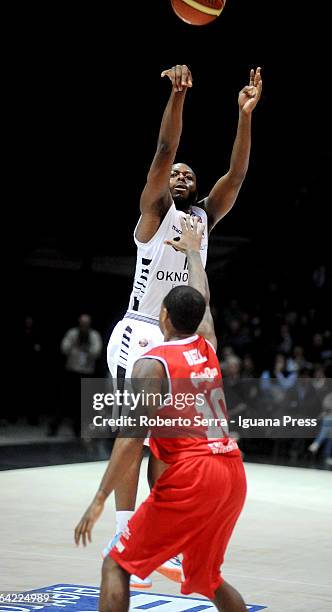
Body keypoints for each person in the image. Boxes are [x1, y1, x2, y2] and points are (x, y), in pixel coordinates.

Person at [105, 63, 262, 586]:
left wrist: (244, 116)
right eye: (177, 175)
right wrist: (177, 96)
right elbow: (163, 152)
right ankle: (123, 531)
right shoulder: (153, 212)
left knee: (171, 441)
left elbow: (236, 177)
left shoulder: (201, 221)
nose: (181, 177)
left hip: (180, 337)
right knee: (138, 433)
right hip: (140, 331)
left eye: (189, 176)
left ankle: (158, 532)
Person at [75, 216, 247, 611]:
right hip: (232, 473)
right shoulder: (208, 345)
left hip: (194, 475)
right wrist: (191, 251)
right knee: (210, 579)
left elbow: (132, 439)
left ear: (163, 318)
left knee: (116, 566)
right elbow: (201, 296)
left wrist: (100, 497)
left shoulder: (151, 363)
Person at [49, 314, 102, 436]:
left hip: (86, 373)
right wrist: (75, 344)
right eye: (82, 324)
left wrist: (87, 349)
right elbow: (64, 348)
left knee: (82, 404)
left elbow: (97, 351)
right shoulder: (73, 334)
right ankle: (54, 427)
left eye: (86, 324)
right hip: (72, 372)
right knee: (63, 400)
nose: (84, 327)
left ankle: (78, 429)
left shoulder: (93, 336)